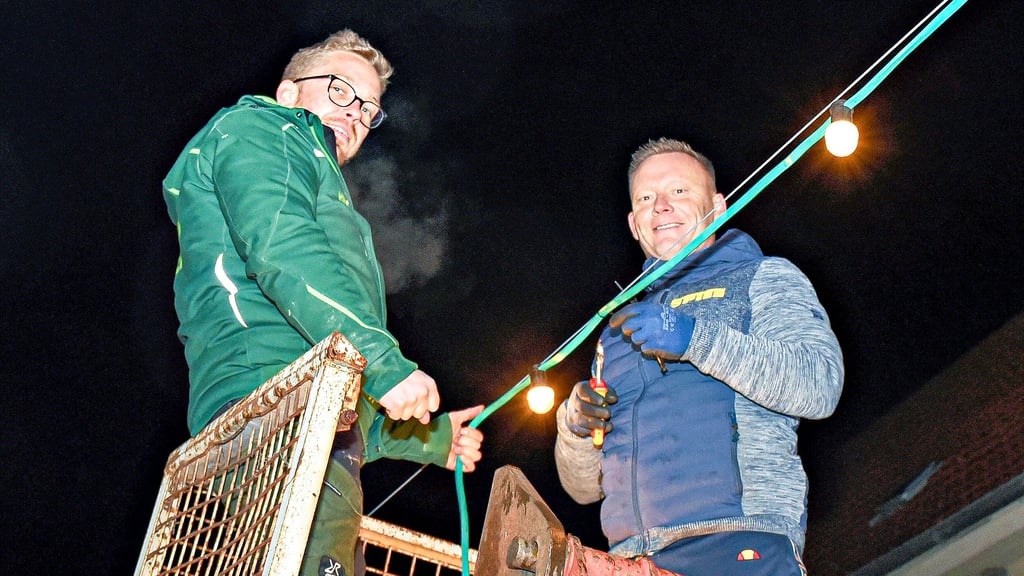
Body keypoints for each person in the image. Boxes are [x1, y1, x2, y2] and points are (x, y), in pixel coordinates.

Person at [162, 29, 484, 576]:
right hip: (272, 403)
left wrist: (432, 439)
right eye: (339, 90)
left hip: (301, 411)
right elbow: (281, 246)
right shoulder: (267, 129)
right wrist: (383, 362)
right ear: (290, 92)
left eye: (369, 109)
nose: (355, 114)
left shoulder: (322, 188)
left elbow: (336, 376)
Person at [554, 138, 843, 575]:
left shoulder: (763, 277)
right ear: (634, 224)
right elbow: (582, 490)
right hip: (629, 559)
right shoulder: (614, 332)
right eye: (647, 198)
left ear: (718, 205)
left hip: (737, 541)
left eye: (680, 192)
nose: (662, 206)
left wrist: (694, 339)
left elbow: (818, 383)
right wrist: (575, 429)